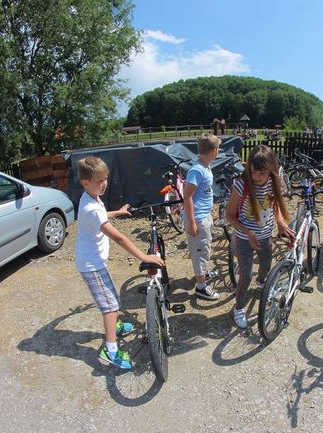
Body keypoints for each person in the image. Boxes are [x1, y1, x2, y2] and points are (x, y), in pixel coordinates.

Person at [75, 156, 164, 369]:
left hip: (94, 262)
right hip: (91, 265)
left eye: (105, 179)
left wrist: (118, 212)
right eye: (99, 181)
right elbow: (119, 237)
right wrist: (144, 257)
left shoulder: (90, 198)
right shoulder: (91, 208)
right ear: (85, 182)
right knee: (110, 306)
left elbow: (101, 214)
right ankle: (111, 350)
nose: (104, 184)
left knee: (112, 297)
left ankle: (114, 326)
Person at [225, 145, 294, 329]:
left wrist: (280, 222)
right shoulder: (241, 184)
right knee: (246, 275)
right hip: (244, 237)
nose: (256, 177)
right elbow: (229, 215)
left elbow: (275, 204)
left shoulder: (275, 181)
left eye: (262, 173)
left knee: (265, 267)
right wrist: (248, 232)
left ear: (270, 169)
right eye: (252, 172)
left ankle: (262, 284)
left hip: (265, 235)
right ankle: (239, 308)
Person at [183, 133, 221, 301]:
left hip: (203, 216)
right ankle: (201, 287)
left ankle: (203, 274)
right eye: (218, 149)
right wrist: (192, 222)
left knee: (204, 248)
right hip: (197, 219)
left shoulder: (206, 167)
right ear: (214, 151)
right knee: (200, 251)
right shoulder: (197, 170)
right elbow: (188, 197)